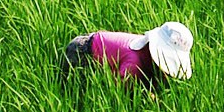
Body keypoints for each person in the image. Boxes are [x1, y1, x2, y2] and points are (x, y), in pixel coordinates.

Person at [62, 20, 193, 90]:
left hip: (91, 40)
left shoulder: (144, 46)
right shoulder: (134, 63)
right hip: (81, 52)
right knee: (76, 89)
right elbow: (118, 89)